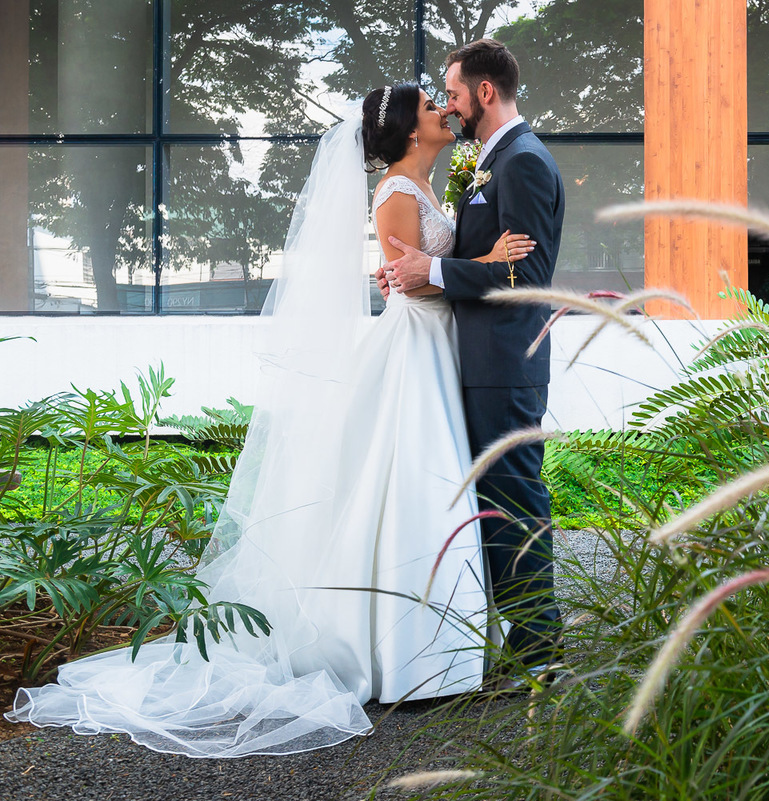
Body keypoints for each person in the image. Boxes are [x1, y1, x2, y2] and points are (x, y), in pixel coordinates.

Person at [4, 84, 535, 758]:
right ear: (406, 131)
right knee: (411, 480)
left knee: (423, 482)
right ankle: (412, 654)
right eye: (430, 106)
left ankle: (437, 650)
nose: (442, 111)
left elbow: (409, 269)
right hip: (413, 342)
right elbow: (406, 275)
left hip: (434, 342)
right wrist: (484, 263)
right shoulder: (396, 191)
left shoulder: (423, 186)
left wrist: (454, 265)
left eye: (441, 102)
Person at [378, 38, 565, 683]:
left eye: (454, 93)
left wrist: (431, 267)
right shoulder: (491, 161)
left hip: (505, 360)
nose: (449, 106)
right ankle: (515, 636)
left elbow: (528, 272)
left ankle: (539, 647)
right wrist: (420, 278)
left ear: (485, 92)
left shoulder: (522, 163)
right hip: (473, 354)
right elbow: (485, 258)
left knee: (513, 495)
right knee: (492, 497)